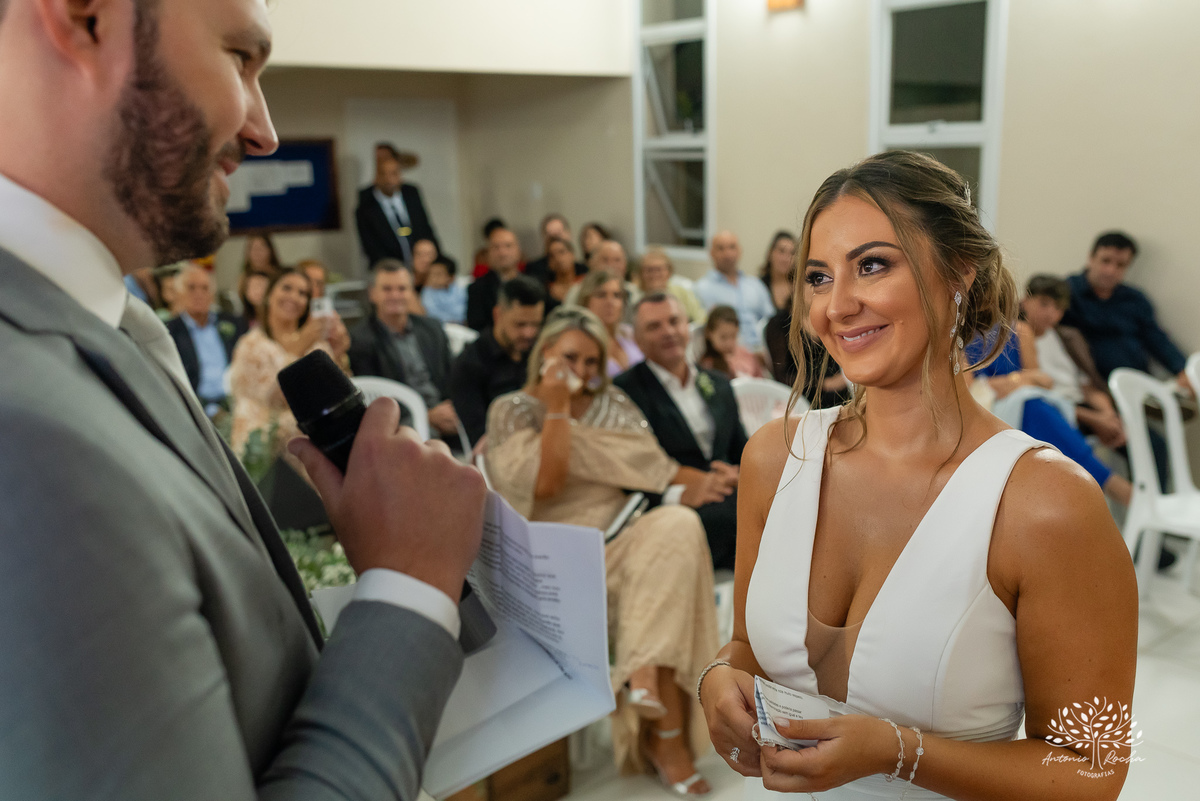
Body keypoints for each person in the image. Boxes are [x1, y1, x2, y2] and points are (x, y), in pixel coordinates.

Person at [0, 1, 486, 797]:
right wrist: (409, 589)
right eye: (239, 59)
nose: (263, 130)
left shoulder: (113, 321)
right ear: (86, 17)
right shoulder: (22, 433)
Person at [699, 151, 1137, 800]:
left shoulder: (1046, 504)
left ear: (960, 273)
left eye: (872, 265)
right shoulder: (774, 457)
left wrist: (899, 750)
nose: (839, 305)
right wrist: (718, 676)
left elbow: (1094, 770)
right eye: (819, 276)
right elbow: (747, 645)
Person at [486, 307, 728, 795]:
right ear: (545, 353)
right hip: (555, 565)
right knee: (666, 568)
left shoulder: (610, 403)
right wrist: (556, 405)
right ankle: (668, 742)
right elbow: (545, 484)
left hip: (621, 544)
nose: (583, 371)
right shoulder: (511, 409)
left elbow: (654, 468)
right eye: (570, 357)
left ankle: (643, 672)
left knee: (679, 524)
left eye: (593, 362)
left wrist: (709, 480)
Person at [615, 294, 747, 571]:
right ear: (637, 340)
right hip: (672, 506)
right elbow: (626, 473)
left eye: (674, 321)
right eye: (654, 327)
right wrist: (680, 494)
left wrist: (740, 474)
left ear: (688, 326)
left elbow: (741, 448)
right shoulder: (624, 393)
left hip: (729, 493)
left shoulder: (718, 383)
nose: (668, 332)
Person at [229, 269, 351, 461]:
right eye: (287, 288)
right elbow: (269, 400)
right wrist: (297, 349)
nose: (294, 297)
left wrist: (340, 353)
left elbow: (339, 395)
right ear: (269, 295)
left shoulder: (316, 345)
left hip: (320, 437)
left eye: (303, 293)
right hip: (266, 445)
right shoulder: (251, 345)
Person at [1062, 230, 1193, 394]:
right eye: (1105, 261)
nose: (1110, 270)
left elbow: (1156, 339)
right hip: (1093, 388)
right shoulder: (1066, 294)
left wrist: (1182, 370)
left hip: (1139, 384)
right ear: (1091, 258)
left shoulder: (1134, 299)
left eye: (1120, 265)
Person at [349, 261, 459, 439]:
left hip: (444, 411)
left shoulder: (432, 328)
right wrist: (426, 416)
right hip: (400, 424)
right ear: (373, 294)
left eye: (402, 289)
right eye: (387, 289)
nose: (395, 295)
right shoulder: (360, 339)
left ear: (412, 292)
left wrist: (453, 407)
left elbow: (454, 374)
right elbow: (374, 399)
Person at [1020, 275, 1125, 448]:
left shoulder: (1068, 338)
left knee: (1146, 439)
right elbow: (1035, 396)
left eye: (1059, 308)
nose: (1051, 313)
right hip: (1052, 412)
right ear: (1025, 301)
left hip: (1081, 407)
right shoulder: (1014, 339)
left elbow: (1088, 387)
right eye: (1044, 303)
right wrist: (1095, 420)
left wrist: (1109, 416)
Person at [451, 276, 547, 447]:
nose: (529, 333)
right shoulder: (470, 364)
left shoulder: (538, 352)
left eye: (535, 324)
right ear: (498, 314)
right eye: (520, 324)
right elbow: (478, 436)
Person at [166, 263, 248, 417]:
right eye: (191, 287)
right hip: (195, 410)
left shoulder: (233, 324)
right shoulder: (170, 332)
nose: (199, 294)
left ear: (212, 294)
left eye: (205, 288)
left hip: (237, 404)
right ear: (179, 293)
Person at [355, 149, 439, 267]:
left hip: (420, 266)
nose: (388, 179)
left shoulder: (411, 194)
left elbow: (425, 228)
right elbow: (370, 245)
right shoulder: (366, 204)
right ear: (376, 176)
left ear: (400, 175)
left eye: (393, 173)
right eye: (383, 174)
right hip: (388, 266)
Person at [694, 231, 776, 348]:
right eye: (721, 248)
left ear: (739, 251)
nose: (727, 254)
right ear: (711, 253)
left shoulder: (755, 285)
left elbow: (771, 321)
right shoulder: (702, 289)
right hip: (725, 357)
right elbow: (703, 330)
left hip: (762, 354)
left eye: (732, 247)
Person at [763, 307, 851, 407]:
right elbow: (783, 376)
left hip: (844, 392)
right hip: (804, 399)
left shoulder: (830, 313)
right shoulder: (780, 323)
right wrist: (825, 384)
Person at [577, 270, 644, 377]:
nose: (610, 302)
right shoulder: (578, 340)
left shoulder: (630, 333)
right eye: (601, 295)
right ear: (586, 301)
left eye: (617, 295)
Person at [466, 225, 523, 331]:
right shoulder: (476, 288)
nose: (502, 253)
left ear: (518, 251)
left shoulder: (533, 285)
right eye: (496, 247)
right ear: (488, 253)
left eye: (508, 246)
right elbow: (477, 327)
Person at [637, 248, 707, 324]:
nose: (654, 274)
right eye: (649, 270)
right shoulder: (636, 297)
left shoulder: (682, 292)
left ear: (669, 272)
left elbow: (700, 319)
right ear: (641, 273)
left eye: (659, 269)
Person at [700, 305, 765, 379]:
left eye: (733, 336)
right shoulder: (708, 365)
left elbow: (760, 378)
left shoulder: (746, 354)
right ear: (709, 334)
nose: (729, 343)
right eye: (723, 337)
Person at [524, 213, 585, 286]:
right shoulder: (535, 270)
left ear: (569, 233)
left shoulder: (584, 271)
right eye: (550, 236)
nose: (555, 239)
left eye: (558, 234)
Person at [421, 255, 467, 325]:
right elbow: (431, 313)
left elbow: (463, 310)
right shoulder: (427, 292)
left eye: (438, 274)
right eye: (431, 274)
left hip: (461, 326)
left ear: (451, 278)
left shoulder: (459, 290)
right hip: (440, 326)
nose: (433, 278)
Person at [760, 230, 798, 312]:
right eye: (781, 251)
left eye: (792, 253)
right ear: (770, 253)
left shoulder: (801, 286)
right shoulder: (758, 286)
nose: (786, 258)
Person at [544, 236, 582, 309]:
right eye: (552, 256)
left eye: (562, 252)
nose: (558, 258)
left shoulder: (585, 283)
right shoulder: (546, 290)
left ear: (572, 255)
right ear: (549, 263)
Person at [237, 261, 272, 328]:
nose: (258, 291)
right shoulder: (241, 321)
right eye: (253, 287)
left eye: (262, 286)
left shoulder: (277, 319)